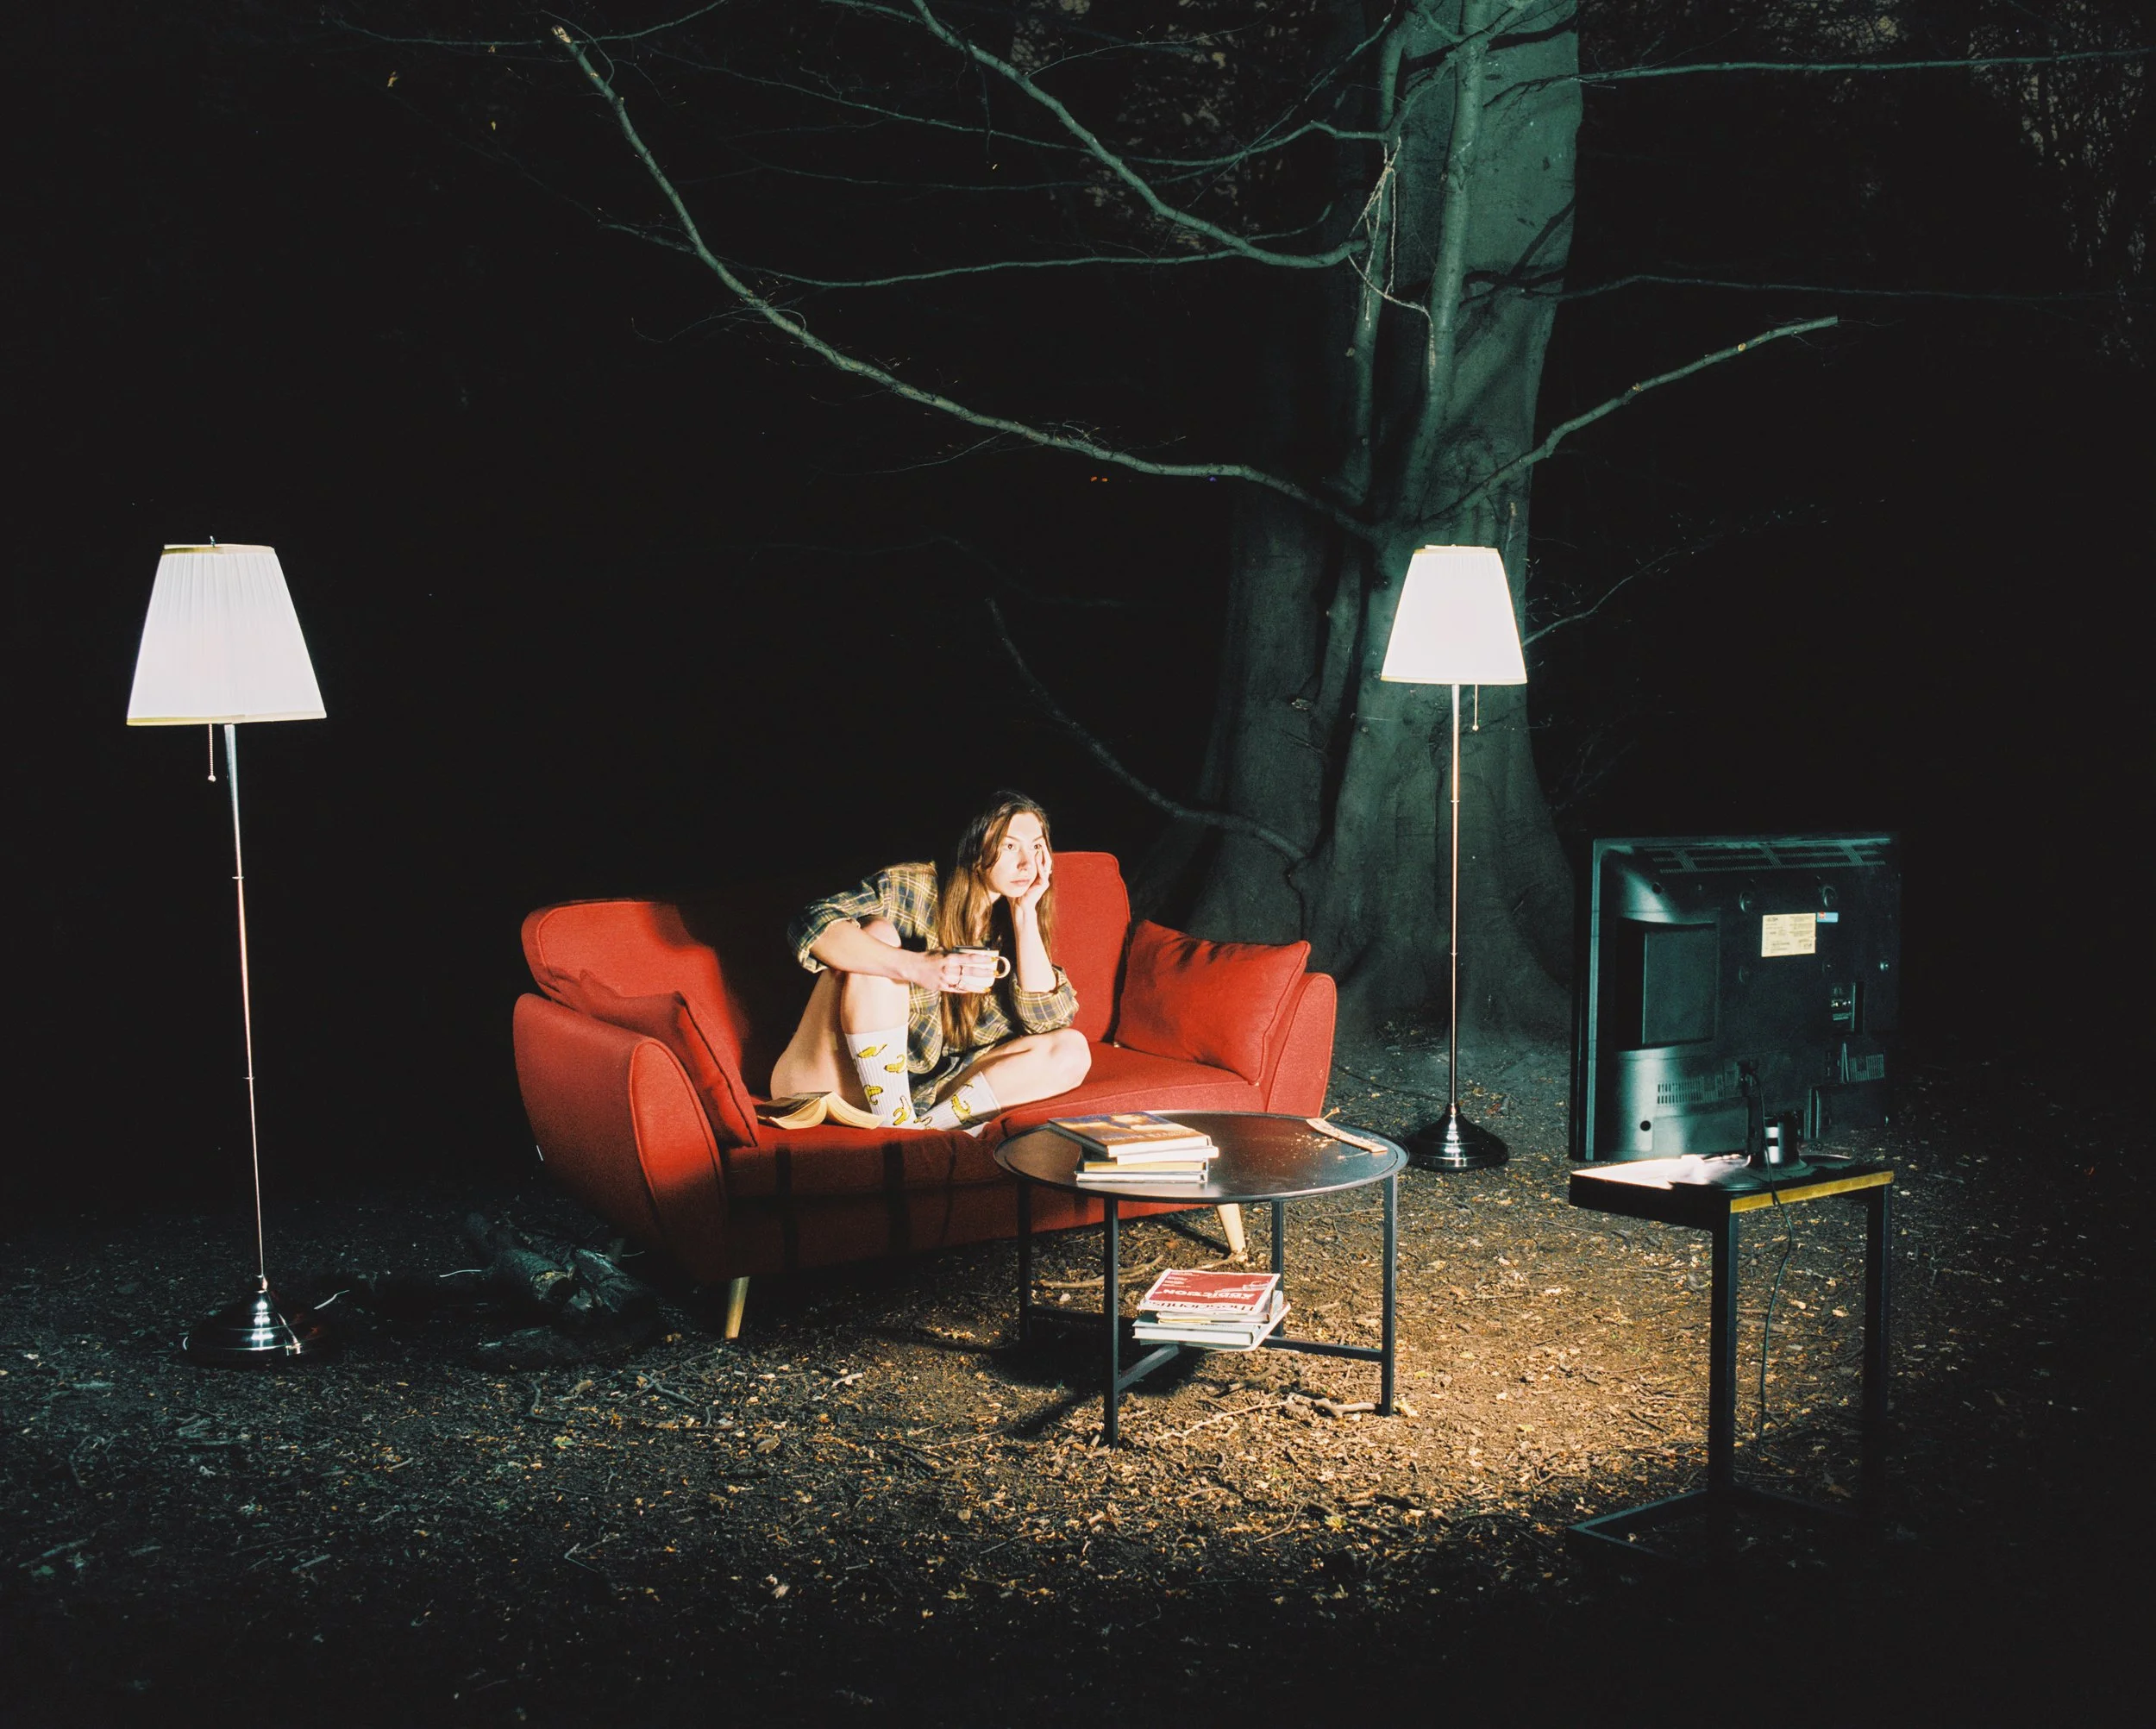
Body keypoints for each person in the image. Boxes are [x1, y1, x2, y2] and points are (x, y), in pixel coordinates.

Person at [768, 791, 1091, 1132]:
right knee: (878, 935)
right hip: (831, 1083)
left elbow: (1048, 1023)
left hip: (920, 1095)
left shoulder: (1012, 917)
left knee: (1071, 1049)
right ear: (974, 845)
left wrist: (1025, 914)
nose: (1027, 863)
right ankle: (902, 1128)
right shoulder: (913, 886)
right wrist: (917, 966)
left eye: (1037, 847)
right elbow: (810, 924)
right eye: (1009, 846)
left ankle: (919, 1131)